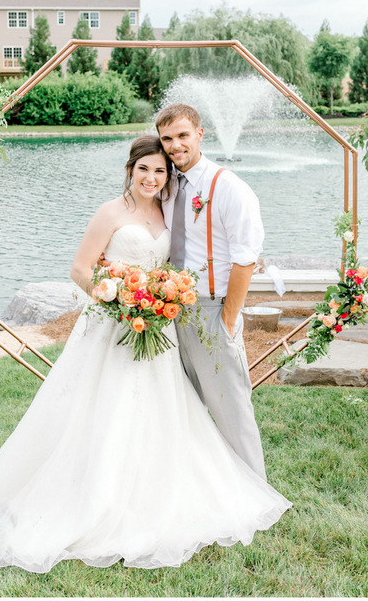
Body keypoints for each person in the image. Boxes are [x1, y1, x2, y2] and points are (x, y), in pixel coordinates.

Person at [0, 135, 289, 574]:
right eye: (144, 170)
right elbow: (80, 268)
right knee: (102, 406)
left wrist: (158, 300)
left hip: (157, 325)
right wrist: (117, 300)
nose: (153, 178)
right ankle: (92, 496)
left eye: (161, 171)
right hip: (111, 326)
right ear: (130, 170)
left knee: (163, 407)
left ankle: (161, 490)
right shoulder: (110, 212)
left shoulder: (168, 210)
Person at [155, 103, 268, 477]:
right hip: (169, 311)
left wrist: (228, 317)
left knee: (230, 405)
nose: (175, 145)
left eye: (182, 135)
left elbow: (245, 258)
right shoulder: (165, 186)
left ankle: (254, 489)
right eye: (167, 138)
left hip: (211, 309)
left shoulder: (229, 187)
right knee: (180, 403)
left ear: (200, 134)